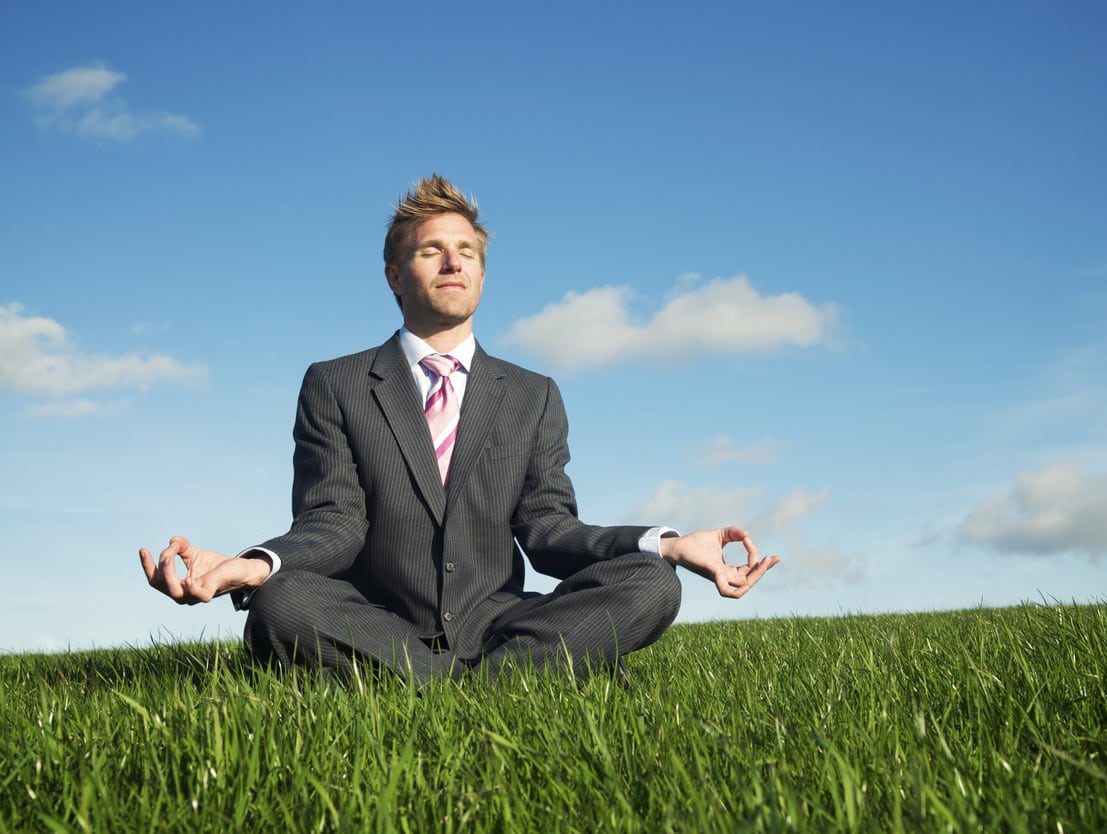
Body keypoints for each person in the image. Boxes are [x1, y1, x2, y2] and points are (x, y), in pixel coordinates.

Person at [140, 174, 780, 686]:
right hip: (378, 623)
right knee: (280, 605)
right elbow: (333, 524)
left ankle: (438, 684)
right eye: (431, 250)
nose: (453, 261)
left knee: (650, 583)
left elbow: (550, 533)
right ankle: (505, 685)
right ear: (395, 275)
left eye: (466, 251)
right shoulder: (335, 383)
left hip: (498, 623)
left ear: (482, 273)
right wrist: (252, 565)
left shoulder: (532, 394)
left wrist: (671, 545)